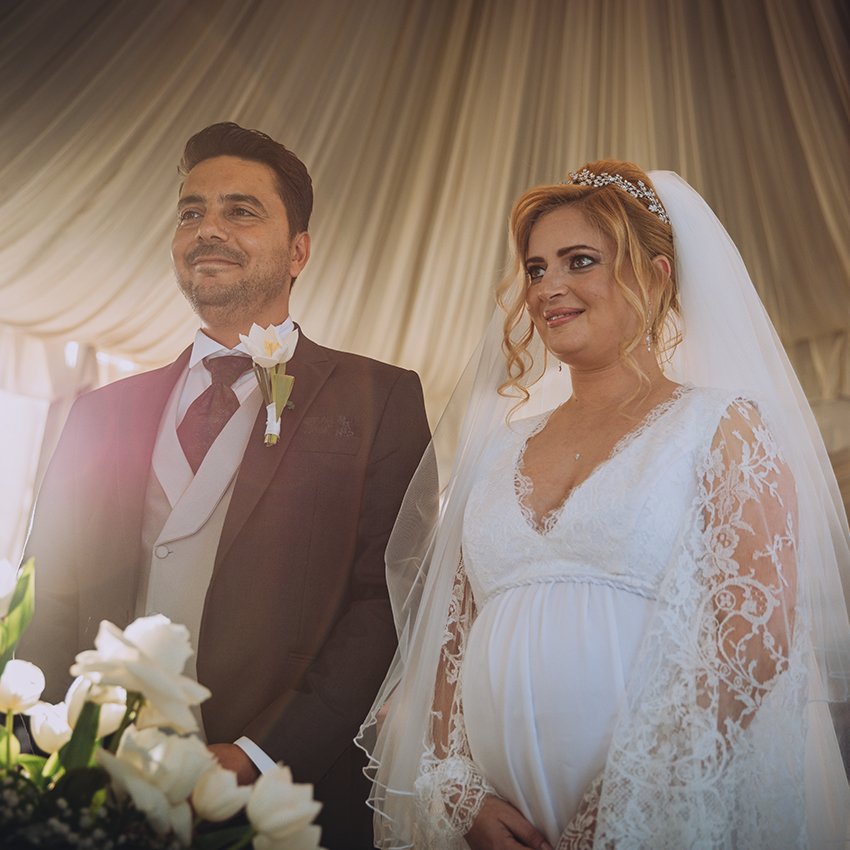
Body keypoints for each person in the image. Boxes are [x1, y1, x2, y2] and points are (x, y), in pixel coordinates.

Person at [356, 161, 850, 848]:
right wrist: (460, 796)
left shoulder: (721, 425)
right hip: (499, 823)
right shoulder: (495, 451)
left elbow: (755, 636)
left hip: (664, 811)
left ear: (655, 276)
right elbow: (448, 639)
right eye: (535, 269)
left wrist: (628, 806)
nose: (547, 287)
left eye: (579, 261)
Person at [18, 122, 431, 850]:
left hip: (284, 798)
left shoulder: (380, 399)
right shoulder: (100, 413)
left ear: (298, 251)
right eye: (191, 212)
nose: (208, 228)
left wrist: (263, 753)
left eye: (241, 211)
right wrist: (49, 758)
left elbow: (388, 600)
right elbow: (47, 594)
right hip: (100, 791)